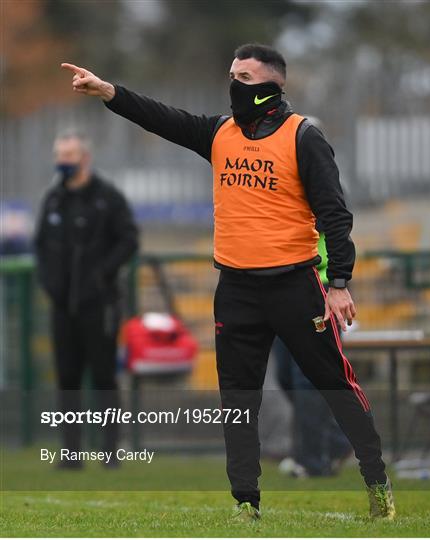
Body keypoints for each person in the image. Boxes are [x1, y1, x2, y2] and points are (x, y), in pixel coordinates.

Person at [61, 43, 395, 518]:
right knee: (238, 401)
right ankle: (246, 501)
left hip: (296, 285)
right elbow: (163, 118)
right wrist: (109, 92)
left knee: (334, 386)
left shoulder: (303, 137)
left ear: (271, 87)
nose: (233, 85)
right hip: (236, 289)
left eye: (243, 77)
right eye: (231, 75)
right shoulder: (220, 132)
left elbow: (335, 215)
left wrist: (339, 281)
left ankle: (376, 479)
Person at [35, 129, 138, 467]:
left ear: (84, 158)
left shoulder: (107, 198)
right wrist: (51, 284)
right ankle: (71, 453)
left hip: (100, 304)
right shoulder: (53, 200)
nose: (63, 162)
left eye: (69, 155)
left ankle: (110, 452)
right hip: (63, 306)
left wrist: (101, 275)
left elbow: (128, 240)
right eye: (59, 155)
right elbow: (41, 247)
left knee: (104, 376)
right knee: (67, 378)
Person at [275, 225, 352, 478]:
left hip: (319, 287)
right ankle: (336, 441)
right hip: (282, 289)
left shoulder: (316, 188)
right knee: (286, 376)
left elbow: (333, 223)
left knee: (306, 380)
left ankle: (312, 460)